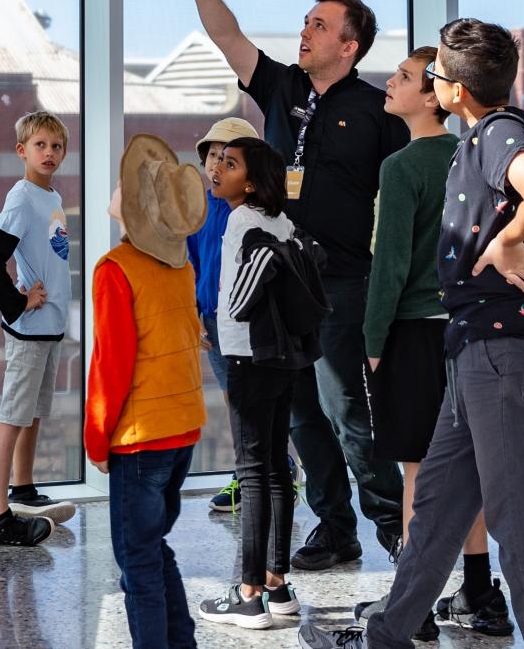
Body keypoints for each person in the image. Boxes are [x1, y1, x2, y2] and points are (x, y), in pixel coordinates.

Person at [168, 0, 407, 569]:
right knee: (299, 412)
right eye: (305, 20)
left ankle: (396, 529)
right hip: (275, 277)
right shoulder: (282, 87)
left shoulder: (380, 108)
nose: (305, 31)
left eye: (319, 25)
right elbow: (227, 37)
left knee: (346, 411)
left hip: (341, 282)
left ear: (349, 46)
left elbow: (411, 194)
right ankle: (335, 529)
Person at [300, 18, 524, 649]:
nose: (425, 79)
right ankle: (388, 634)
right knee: (434, 509)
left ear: (454, 89)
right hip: (469, 351)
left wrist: (510, 241)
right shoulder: (473, 141)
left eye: (431, 74)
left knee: (517, 521)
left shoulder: (500, 133)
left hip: (500, 355)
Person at [355, 47, 509, 638]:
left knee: (420, 472)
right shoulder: (474, 155)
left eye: (403, 77)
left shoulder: (401, 167)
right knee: (467, 468)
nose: (388, 84)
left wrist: (372, 339)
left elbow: (388, 263)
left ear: (432, 97)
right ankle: (478, 592)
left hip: (413, 333)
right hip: (469, 327)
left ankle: (411, 605)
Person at [198, 138, 328, 630]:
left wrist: (233, 306)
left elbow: (236, 301)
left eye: (230, 165)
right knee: (276, 468)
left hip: (248, 357)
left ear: (249, 184)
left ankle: (248, 594)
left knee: (252, 471)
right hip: (283, 358)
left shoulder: (242, 221)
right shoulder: (282, 222)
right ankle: (277, 583)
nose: (217, 170)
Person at [85, 133, 208, 649]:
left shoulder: (116, 269)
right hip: (183, 428)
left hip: (140, 437)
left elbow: (110, 364)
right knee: (152, 548)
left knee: (137, 563)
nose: (117, 186)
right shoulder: (180, 266)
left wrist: (96, 439)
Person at [0, 111, 77, 545]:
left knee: (33, 414)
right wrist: (19, 303)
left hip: (49, 327)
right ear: (22, 151)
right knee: (13, 417)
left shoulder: (50, 196)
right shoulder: (20, 198)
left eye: (56, 146)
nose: (49, 153)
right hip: (29, 327)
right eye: (41, 145)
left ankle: (23, 489)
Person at [187, 115, 260, 512]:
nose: (217, 165)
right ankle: (245, 473)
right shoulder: (198, 208)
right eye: (213, 156)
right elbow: (192, 265)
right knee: (234, 399)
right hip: (213, 320)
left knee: (255, 400)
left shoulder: (251, 213)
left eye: (228, 159)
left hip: (247, 321)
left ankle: (271, 470)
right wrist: (195, 315)